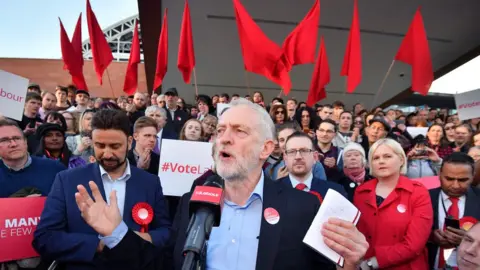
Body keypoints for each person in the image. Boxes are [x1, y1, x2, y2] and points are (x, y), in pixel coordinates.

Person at [74, 98, 368, 270]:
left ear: (266, 149)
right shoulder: (195, 200)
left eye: (239, 131)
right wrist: (117, 234)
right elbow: (163, 264)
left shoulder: (304, 207)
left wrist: (352, 265)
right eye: (222, 130)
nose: (224, 138)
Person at [33, 109, 171, 270]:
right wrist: (100, 244)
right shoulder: (67, 180)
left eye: (115, 146)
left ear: (130, 141)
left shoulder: (150, 182)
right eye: (100, 145)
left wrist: (131, 239)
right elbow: (45, 238)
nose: (107, 154)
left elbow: (165, 233)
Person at [355, 138, 433, 269]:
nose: (381, 161)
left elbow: (414, 245)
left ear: (401, 160)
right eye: (375, 158)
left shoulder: (418, 192)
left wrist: (373, 263)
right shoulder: (361, 192)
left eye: (387, 156)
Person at [427, 152, 480, 269]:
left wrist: (470, 239)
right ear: (439, 174)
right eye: (449, 179)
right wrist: (430, 237)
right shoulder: (424, 198)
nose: (455, 185)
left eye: (463, 180)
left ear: (473, 175)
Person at [279, 131, 347, 200]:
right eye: (292, 151)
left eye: (304, 151)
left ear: (315, 157)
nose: (298, 157)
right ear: (285, 158)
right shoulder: (270, 191)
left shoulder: (335, 193)